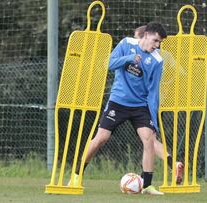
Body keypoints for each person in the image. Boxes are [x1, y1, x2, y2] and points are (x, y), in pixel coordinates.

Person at [70, 22, 167, 195]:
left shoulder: (158, 60)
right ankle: (76, 175)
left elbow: (153, 92)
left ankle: (147, 185)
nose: (157, 45)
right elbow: (109, 64)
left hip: (140, 106)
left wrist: (153, 118)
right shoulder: (126, 44)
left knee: (149, 139)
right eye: (155, 41)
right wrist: (128, 59)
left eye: (159, 43)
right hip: (118, 102)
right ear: (146, 35)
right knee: (101, 138)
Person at [134, 25, 184, 185]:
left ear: (144, 36)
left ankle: (172, 164)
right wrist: (167, 85)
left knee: (149, 140)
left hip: (146, 102)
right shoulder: (166, 55)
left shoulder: (152, 56)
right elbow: (181, 73)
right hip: (159, 101)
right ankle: (147, 177)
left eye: (137, 37)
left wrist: (162, 84)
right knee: (148, 140)